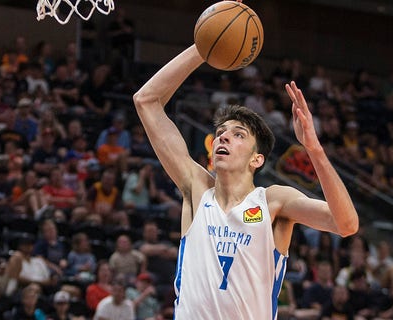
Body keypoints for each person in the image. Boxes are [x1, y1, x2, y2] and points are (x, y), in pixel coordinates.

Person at [132, 44, 358, 319]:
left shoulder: (273, 201)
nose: (223, 137)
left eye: (238, 134)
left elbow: (345, 224)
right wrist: (205, 47)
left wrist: (314, 149)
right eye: (220, 132)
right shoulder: (197, 189)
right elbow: (146, 101)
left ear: (257, 159)